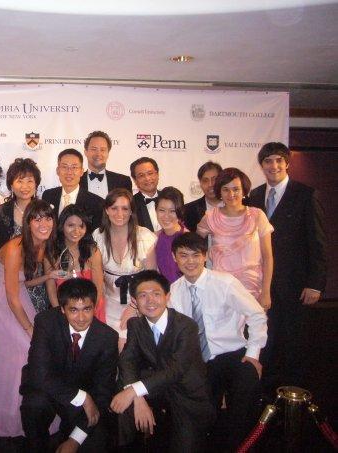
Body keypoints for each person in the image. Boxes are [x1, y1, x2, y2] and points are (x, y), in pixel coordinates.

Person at [169, 233, 267, 452]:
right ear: (174, 258)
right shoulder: (174, 291)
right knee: (203, 417)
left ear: (205, 256)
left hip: (233, 354)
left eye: (196, 255)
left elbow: (257, 315)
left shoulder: (225, 282)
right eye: (183, 255)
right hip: (200, 362)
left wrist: (253, 354)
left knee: (243, 400)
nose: (190, 261)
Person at [0, 200, 60, 437]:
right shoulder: (15, 247)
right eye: (37, 219)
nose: (43, 224)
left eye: (48, 218)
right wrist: (30, 329)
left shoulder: (44, 244)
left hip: (16, 292)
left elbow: (24, 281)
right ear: (28, 223)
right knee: (21, 351)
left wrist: (48, 276)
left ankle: (28, 415)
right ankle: (9, 416)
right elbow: (11, 297)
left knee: (29, 354)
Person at [248, 142, 327, 392]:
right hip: (261, 283)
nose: (274, 166)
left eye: (279, 161)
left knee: (294, 342)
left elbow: (318, 242)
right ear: (261, 166)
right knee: (266, 341)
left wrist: (315, 283)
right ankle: (268, 396)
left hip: (295, 283)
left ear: (287, 163)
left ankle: (294, 398)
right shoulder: (254, 197)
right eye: (268, 161)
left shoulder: (305, 194)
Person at [111, 270, 215, 452]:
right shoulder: (135, 325)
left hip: (185, 395)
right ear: (134, 302)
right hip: (156, 391)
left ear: (167, 296)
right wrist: (138, 398)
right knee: (123, 395)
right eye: (143, 296)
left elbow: (176, 370)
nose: (150, 301)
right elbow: (127, 361)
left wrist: (135, 390)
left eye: (156, 294)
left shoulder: (186, 326)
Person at [20, 278, 118, 453]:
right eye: (73, 310)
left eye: (87, 309)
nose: (81, 318)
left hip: (83, 399)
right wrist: (82, 397)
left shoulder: (107, 338)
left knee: (97, 441)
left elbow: (103, 393)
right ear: (62, 309)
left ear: (95, 307)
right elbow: (38, 373)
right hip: (48, 389)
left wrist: (75, 440)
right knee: (34, 404)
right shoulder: (46, 322)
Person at [197, 168, 274, 309]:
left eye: (236, 189)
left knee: (253, 330)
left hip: (253, 288)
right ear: (219, 191)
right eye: (226, 189)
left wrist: (266, 292)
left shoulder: (257, 216)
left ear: (244, 191)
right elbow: (194, 247)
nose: (231, 194)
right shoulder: (210, 217)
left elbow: (268, 257)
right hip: (221, 288)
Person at [92, 189, 156, 350]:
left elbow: (152, 280)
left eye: (125, 208)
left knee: (127, 345)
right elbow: (97, 279)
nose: (119, 213)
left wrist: (135, 307)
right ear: (107, 210)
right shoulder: (98, 236)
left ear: (131, 211)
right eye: (114, 208)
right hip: (108, 302)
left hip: (140, 301)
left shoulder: (145, 236)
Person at [45, 205, 105, 321]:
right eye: (71, 225)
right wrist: (63, 316)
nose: (76, 231)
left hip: (92, 312)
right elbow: (51, 291)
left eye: (81, 226)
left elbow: (98, 288)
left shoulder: (92, 251)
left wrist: (88, 315)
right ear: (62, 226)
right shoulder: (52, 253)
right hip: (63, 314)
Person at [42, 148, 104, 232]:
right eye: (64, 167)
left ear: (82, 171)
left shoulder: (96, 202)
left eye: (74, 167)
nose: (69, 172)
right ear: (57, 170)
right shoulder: (48, 195)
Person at [0, 158, 40, 250]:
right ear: (11, 186)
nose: (25, 186)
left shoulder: (43, 211)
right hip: (5, 262)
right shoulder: (0, 212)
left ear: (36, 185)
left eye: (29, 181)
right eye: (20, 181)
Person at [79, 130, 132, 199]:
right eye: (94, 149)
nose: (98, 154)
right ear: (86, 152)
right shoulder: (76, 181)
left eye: (103, 150)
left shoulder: (123, 181)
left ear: (108, 153)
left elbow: (128, 208)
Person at [153, 187, 188, 284]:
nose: (166, 216)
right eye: (162, 210)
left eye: (172, 211)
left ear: (180, 211)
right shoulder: (153, 238)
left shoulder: (188, 239)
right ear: (155, 211)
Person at [184, 161, 223, 232]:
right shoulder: (188, 211)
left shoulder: (237, 206)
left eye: (214, 179)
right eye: (205, 181)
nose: (210, 184)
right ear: (200, 184)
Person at [130, 157, 161, 232]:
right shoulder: (130, 204)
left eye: (150, 173)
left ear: (157, 174)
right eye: (141, 175)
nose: (147, 178)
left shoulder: (169, 199)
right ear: (135, 180)